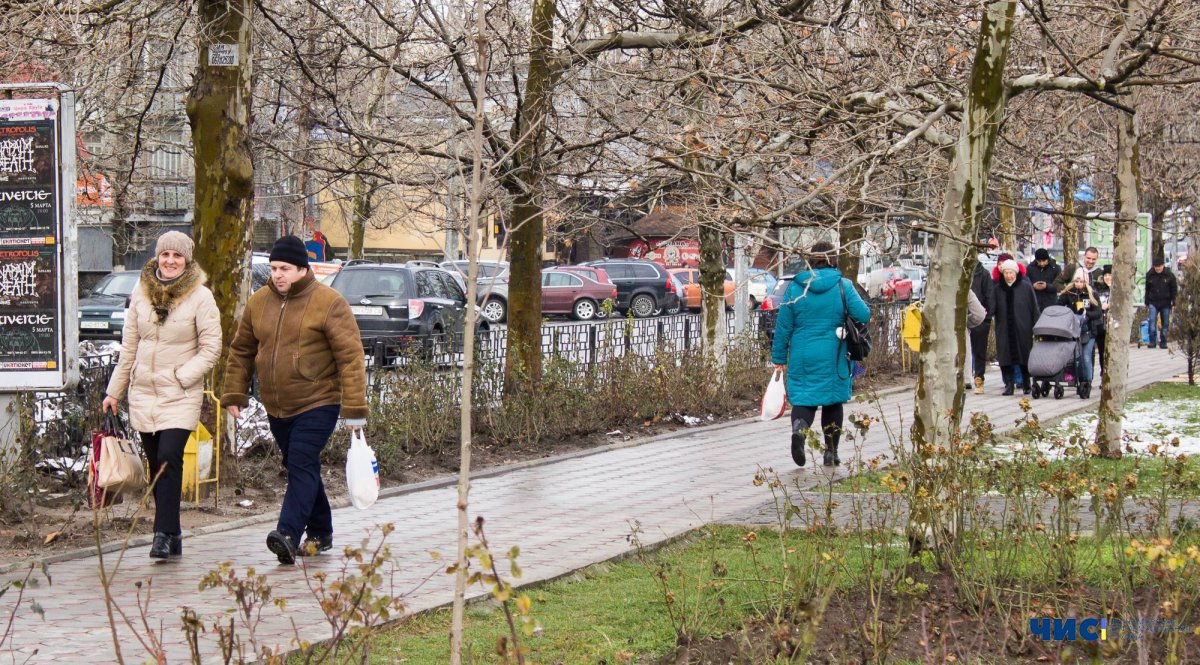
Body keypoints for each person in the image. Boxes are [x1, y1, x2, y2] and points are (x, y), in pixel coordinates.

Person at [221, 235, 369, 564]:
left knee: (301, 461)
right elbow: (241, 350)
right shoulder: (258, 302)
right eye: (274, 268)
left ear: (303, 269)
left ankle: (287, 533)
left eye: (285, 268)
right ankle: (321, 532)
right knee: (300, 466)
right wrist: (235, 391)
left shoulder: (329, 303)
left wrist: (355, 409)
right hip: (277, 405)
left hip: (319, 400)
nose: (278, 275)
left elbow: (350, 358)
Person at [101, 231, 222, 559]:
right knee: (156, 464)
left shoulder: (201, 297)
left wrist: (182, 377)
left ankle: (162, 535)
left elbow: (211, 348)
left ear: (187, 260)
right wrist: (115, 391)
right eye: (165, 255)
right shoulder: (141, 293)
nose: (170, 261)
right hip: (143, 393)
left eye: (177, 256)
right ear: (158, 257)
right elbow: (129, 348)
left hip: (179, 394)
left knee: (170, 457)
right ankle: (174, 532)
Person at [771, 241, 871, 468]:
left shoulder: (796, 287)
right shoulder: (843, 286)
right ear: (832, 259)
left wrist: (778, 358)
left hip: (801, 355)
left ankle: (799, 431)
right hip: (834, 353)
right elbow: (864, 315)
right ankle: (831, 453)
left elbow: (783, 326)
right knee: (833, 401)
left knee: (804, 398)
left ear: (810, 259)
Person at [993, 259, 1039, 395]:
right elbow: (993, 307)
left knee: (1024, 355)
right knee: (1005, 356)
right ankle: (1008, 384)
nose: (1008, 276)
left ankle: (1026, 383)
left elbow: (1034, 308)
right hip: (1004, 328)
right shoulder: (998, 289)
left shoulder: (1025, 287)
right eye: (1006, 273)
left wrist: (1036, 326)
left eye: (1011, 273)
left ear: (1016, 273)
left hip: (1023, 327)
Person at [1057, 268, 1102, 398]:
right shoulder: (1069, 293)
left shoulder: (1091, 294)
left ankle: (1087, 381)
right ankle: (1079, 380)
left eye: (1081, 281)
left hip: (1088, 330)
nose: (1078, 284)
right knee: (1076, 358)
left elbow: (1098, 312)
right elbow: (1058, 304)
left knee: (1086, 356)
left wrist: (1086, 314)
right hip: (1073, 330)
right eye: (1077, 281)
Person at [969, 260, 994, 395]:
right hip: (963, 316)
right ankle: (964, 379)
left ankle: (978, 379)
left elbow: (990, 296)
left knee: (979, 351)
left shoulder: (983, 274)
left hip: (980, 318)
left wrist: (987, 317)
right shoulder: (959, 272)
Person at [1144, 257, 1178, 349]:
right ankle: (1152, 341)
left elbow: (1174, 290)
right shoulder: (1150, 275)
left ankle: (1163, 341)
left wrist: (1174, 301)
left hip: (1165, 302)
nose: (1158, 268)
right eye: (1156, 267)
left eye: (1159, 266)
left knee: (1165, 323)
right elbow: (1147, 290)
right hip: (1153, 302)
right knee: (1152, 321)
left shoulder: (1169, 275)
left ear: (1163, 265)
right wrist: (1146, 302)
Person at [1093, 265, 1113, 373]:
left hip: (1113, 325)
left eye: (1110, 275)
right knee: (1101, 351)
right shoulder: (1099, 289)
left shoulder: (1117, 289)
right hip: (1101, 325)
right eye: (1106, 275)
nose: (1108, 277)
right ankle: (1103, 373)